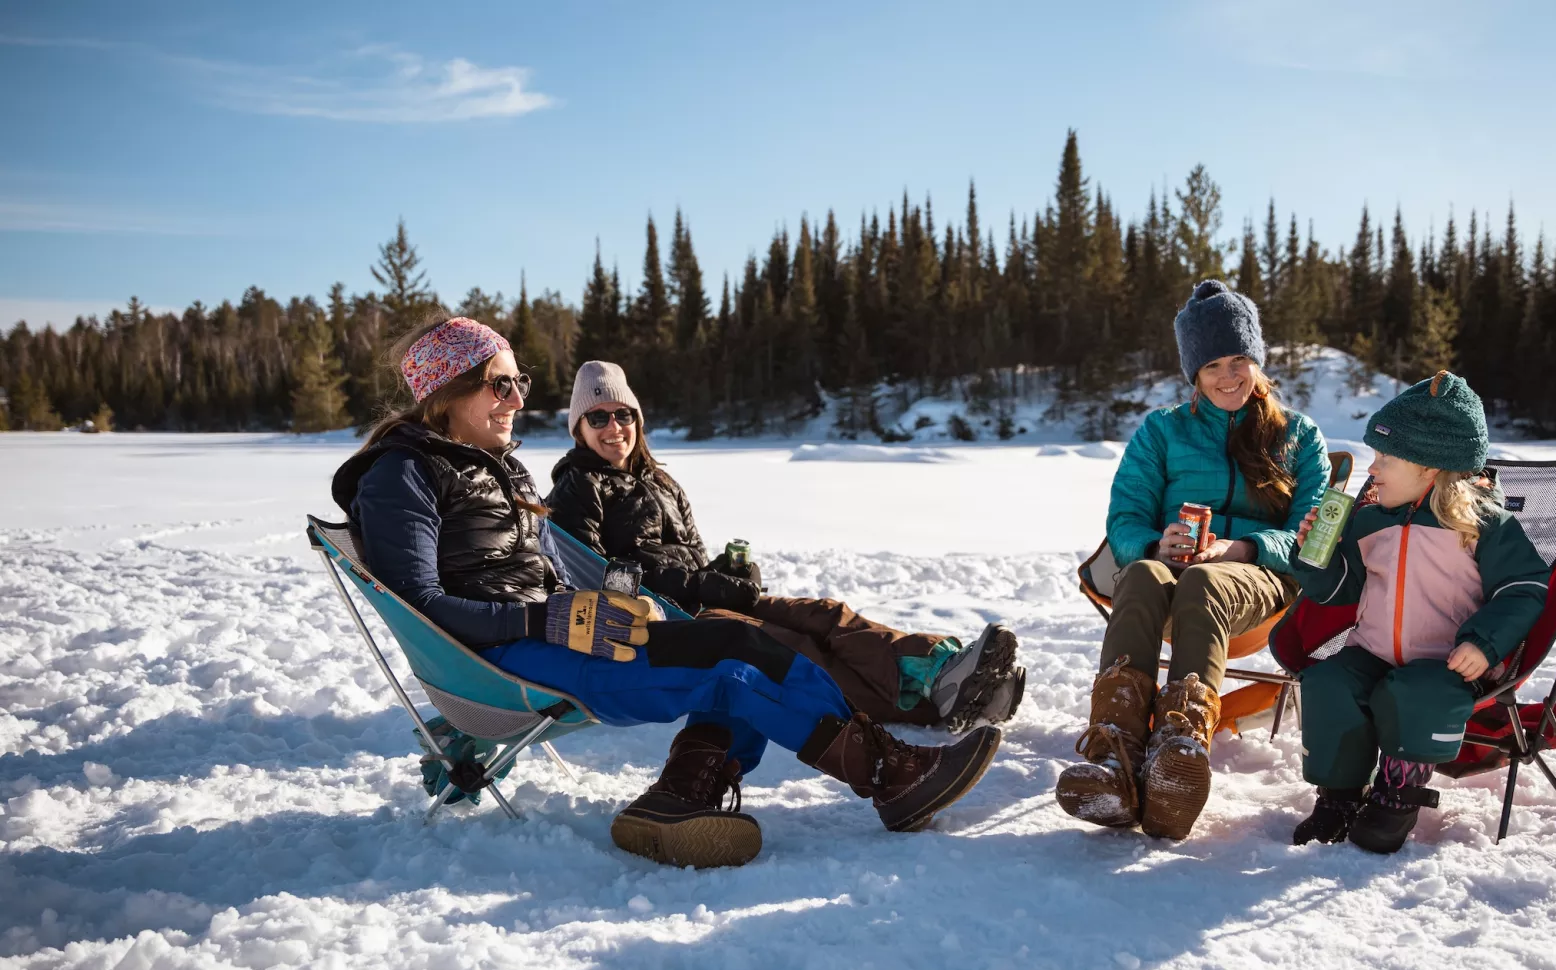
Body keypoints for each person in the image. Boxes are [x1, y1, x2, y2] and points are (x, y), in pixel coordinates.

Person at [332, 314, 1001, 870]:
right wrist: (546, 622)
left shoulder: (497, 470)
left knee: (743, 640)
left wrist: (599, 603)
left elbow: (533, 575)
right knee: (729, 667)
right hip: (503, 662)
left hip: (546, 635)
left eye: (518, 383)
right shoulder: (401, 475)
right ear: (446, 390)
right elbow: (423, 607)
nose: (515, 400)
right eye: (498, 385)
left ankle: (687, 794)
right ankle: (885, 774)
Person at [546, 361, 1024, 733]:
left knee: (825, 614)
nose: (614, 427)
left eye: (623, 414)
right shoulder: (577, 485)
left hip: (699, 599)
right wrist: (699, 585)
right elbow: (595, 575)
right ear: (580, 427)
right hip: (660, 622)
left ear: (638, 419)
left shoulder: (661, 481)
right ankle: (928, 707)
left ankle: (941, 669)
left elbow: (691, 555)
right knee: (792, 647)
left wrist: (729, 576)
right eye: (599, 417)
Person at [1055, 280, 1330, 840]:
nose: (1229, 377)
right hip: (1170, 577)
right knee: (1140, 573)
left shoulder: (1299, 437)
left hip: (1259, 586)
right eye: (1212, 367)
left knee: (1205, 579)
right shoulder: (1161, 431)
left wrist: (1244, 548)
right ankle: (1115, 752)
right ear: (1193, 375)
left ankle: (1180, 750)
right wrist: (1159, 544)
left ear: (1256, 360)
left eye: (1239, 360)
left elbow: (1316, 543)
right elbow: (1124, 523)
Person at [1288, 371, 1549, 854]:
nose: (1373, 470)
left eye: (1386, 458)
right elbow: (1340, 591)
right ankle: (1338, 796)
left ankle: (1397, 794)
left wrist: (1484, 642)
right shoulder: (1368, 519)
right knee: (1328, 684)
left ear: (1431, 467)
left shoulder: (1485, 525)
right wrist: (1312, 556)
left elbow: (1524, 588)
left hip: (1447, 662)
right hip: (1372, 651)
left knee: (1417, 691)